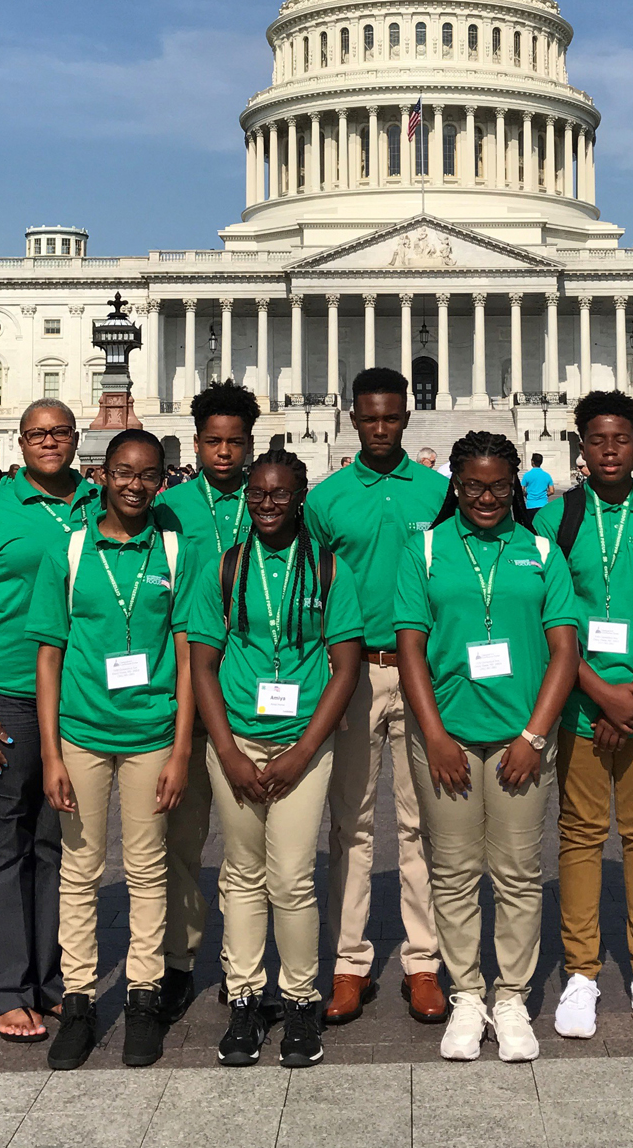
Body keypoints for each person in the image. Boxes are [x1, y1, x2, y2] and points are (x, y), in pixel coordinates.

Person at [396, 432, 580, 1061]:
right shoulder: (424, 549)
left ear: (515, 485)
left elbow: (564, 650)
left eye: (498, 486)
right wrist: (436, 734)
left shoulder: (538, 549)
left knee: (519, 872)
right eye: (472, 485)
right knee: (450, 872)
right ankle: (467, 993)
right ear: (455, 484)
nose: (485, 496)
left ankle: (512, 996)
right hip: (445, 737)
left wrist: (534, 736)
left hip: (518, 738)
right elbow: (410, 649)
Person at [189, 449, 363, 1068]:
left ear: (300, 496)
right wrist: (228, 750)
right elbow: (202, 664)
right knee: (240, 873)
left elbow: (345, 666)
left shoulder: (327, 568)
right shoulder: (227, 568)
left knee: (290, 876)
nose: (266, 504)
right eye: (257, 494)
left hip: (303, 745)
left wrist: (307, 749)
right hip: (236, 738)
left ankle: (297, 1000)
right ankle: (242, 997)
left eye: (280, 494)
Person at [534, 391, 633, 1038]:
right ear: (581, 445)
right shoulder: (556, 519)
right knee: (578, 836)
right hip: (578, 703)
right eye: (597, 438)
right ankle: (581, 972)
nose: (608, 449)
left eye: (621, 438)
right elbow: (546, 620)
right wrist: (601, 692)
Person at [30, 429, 196, 1070]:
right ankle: (78, 999)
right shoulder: (69, 551)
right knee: (81, 871)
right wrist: (50, 754)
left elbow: (185, 657)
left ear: (162, 479)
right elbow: (50, 656)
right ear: (102, 475)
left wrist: (182, 750)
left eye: (148, 474)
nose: (134, 484)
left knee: (149, 869)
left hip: (153, 733)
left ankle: (144, 994)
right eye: (123, 472)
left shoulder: (175, 552)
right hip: (82, 733)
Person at [0, 403, 99, 1041]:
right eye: (37, 434)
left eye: (60, 432)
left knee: (57, 842)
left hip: (76, 696)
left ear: (75, 437)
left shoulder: (97, 501)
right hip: (5, 695)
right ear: (22, 441)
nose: (49, 442)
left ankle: (51, 978)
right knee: (4, 840)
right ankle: (5, 987)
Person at [306, 368, 448, 1026]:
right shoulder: (327, 498)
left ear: (408, 416)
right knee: (352, 825)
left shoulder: (439, 493)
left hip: (421, 674)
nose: (382, 427)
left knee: (423, 826)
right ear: (353, 418)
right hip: (354, 674)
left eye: (392, 417)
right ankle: (349, 962)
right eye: (370, 418)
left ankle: (424, 961)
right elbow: (307, 594)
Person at [153, 379, 260, 1021]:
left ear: (250, 444)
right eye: (213, 442)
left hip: (247, 688)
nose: (224, 453)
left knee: (247, 843)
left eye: (235, 442)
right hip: (182, 686)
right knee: (183, 836)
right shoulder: (169, 507)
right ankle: (177, 959)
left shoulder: (269, 501)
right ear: (197, 444)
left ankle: (240, 964)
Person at [520, 453, 554, 521]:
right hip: (543, 505)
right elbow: (552, 491)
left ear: (532, 462)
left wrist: (526, 495)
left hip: (530, 505)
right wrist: (544, 494)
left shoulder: (527, 475)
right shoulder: (547, 475)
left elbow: (521, 489)